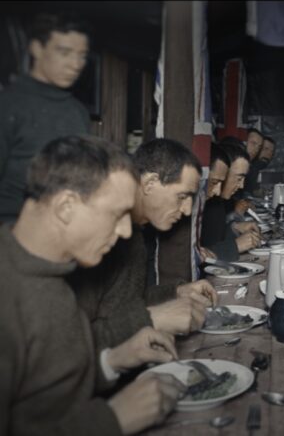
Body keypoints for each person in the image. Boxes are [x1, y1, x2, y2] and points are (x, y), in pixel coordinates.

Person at [0, 135, 186, 435]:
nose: (126, 232)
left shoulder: (52, 271)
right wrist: (112, 419)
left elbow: (43, 396)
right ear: (66, 207)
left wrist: (112, 360)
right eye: (117, 215)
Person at [69, 138, 217, 352]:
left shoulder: (135, 232)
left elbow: (124, 302)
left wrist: (176, 293)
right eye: (182, 196)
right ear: (149, 183)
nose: (186, 210)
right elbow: (69, 344)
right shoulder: (101, 237)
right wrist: (151, 318)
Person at [0, 12, 92, 222]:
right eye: (65, 52)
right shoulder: (7, 105)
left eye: (82, 55)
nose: (76, 64)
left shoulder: (77, 111)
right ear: (36, 49)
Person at [200, 142, 261, 260]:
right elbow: (197, 257)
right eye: (239, 178)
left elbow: (214, 239)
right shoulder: (203, 203)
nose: (242, 186)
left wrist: (234, 228)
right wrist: (235, 246)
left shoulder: (217, 203)